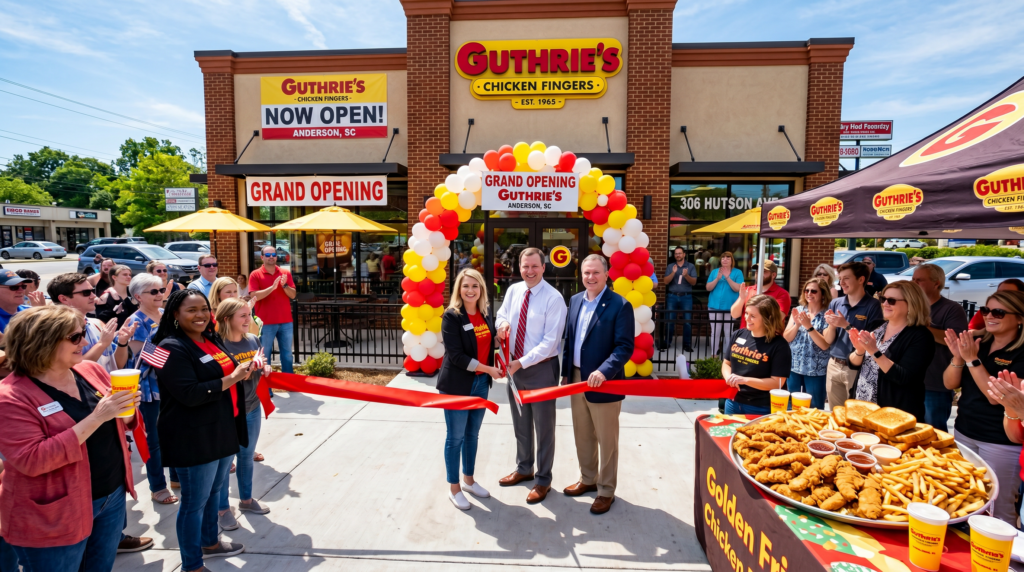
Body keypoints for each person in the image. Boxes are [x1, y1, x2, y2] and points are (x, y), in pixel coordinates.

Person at [0, 305, 141, 572]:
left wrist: (127, 410)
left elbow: (120, 423)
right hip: (54, 512)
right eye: (75, 337)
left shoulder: (90, 370)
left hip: (110, 496)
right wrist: (97, 417)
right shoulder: (10, 397)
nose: (85, 342)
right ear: (43, 342)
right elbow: (33, 460)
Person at [153, 289, 255, 572]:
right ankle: (192, 564)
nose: (200, 315)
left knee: (214, 492)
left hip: (223, 428)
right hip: (194, 436)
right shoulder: (169, 347)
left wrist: (244, 369)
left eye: (203, 309)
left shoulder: (209, 338)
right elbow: (189, 393)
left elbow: (227, 371)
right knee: (193, 504)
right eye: (191, 310)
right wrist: (232, 377)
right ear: (175, 314)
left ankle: (210, 542)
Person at [560, 255, 634, 515]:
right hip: (577, 380)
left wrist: (604, 371)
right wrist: (566, 373)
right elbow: (569, 340)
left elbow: (624, 347)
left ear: (606, 274)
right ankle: (588, 479)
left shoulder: (619, 305)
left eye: (595, 273)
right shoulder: (575, 300)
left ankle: (606, 490)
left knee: (607, 439)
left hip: (605, 382)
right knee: (582, 435)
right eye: (586, 273)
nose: (590, 277)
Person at [495, 247, 567, 504]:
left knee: (544, 428)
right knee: (521, 423)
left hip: (540, 370)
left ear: (544, 267)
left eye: (535, 266)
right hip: (515, 369)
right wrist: (502, 324)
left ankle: (543, 480)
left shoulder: (553, 298)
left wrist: (520, 363)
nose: (529, 271)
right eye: (525, 267)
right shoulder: (514, 290)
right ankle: (524, 468)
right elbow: (502, 313)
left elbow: (550, 342)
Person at [946, 290, 1024, 525]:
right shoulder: (979, 342)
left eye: (999, 312)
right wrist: (959, 358)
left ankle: (1007, 560)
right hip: (964, 430)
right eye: (986, 310)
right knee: (962, 498)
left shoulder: (1020, 353)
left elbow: (996, 398)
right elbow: (950, 383)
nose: (990, 316)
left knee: (998, 508)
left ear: (1019, 318)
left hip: (999, 441)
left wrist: (972, 360)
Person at [438, 269, 501, 511]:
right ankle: (454, 489)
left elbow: (484, 342)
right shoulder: (451, 317)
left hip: (480, 384)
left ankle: (469, 481)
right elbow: (456, 356)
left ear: (481, 289)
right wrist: (487, 369)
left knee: (472, 435)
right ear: (459, 290)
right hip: (457, 385)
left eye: (475, 286)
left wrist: (498, 338)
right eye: (466, 286)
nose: (470, 291)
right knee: (455, 438)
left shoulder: (484, 314)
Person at [123, 273, 181, 505]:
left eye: (161, 290)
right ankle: (158, 486)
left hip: (172, 386)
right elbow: (139, 358)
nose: (160, 294)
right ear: (138, 296)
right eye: (153, 291)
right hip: (150, 389)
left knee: (176, 434)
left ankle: (176, 476)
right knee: (154, 440)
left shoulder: (167, 315)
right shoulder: (134, 322)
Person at [215, 298, 272, 526]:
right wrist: (239, 375)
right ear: (227, 319)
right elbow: (217, 379)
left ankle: (246, 499)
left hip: (252, 406)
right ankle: (221, 509)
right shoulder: (217, 345)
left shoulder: (252, 339)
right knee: (224, 462)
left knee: (246, 456)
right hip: (228, 411)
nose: (249, 319)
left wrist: (265, 367)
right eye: (244, 316)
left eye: (249, 314)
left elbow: (260, 362)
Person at [848, 281, 935, 419]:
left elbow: (903, 377)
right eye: (883, 299)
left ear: (911, 304)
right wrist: (859, 351)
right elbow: (853, 364)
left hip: (893, 415)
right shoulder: (877, 325)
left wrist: (874, 352)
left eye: (892, 300)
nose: (885, 304)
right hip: (861, 407)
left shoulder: (921, 336)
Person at [913, 263, 969, 432]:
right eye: (913, 279)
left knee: (934, 434)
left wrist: (920, 326)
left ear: (936, 283)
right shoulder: (910, 306)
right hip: (909, 381)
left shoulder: (951, 309)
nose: (914, 283)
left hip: (934, 384)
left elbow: (956, 341)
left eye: (919, 280)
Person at [823, 262, 884, 409]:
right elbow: (828, 340)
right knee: (835, 413)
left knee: (856, 413)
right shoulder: (836, 303)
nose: (841, 283)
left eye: (846, 278)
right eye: (840, 278)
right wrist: (832, 325)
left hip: (858, 368)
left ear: (861, 279)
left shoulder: (874, 306)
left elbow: (872, 341)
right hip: (833, 364)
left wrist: (846, 325)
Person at [47, 273, 134, 374]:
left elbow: (116, 365)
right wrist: (101, 344)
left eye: (92, 291)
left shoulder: (96, 323)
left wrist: (122, 343)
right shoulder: (55, 330)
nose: (94, 296)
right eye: (86, 292)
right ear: (64, 299)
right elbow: (70, 371)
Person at [721, 295, 791, 415]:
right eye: (746, 313)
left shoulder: (779, 345)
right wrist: (729, 378)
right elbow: (726, 363)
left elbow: (777, 383)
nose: (747, 318)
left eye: (753, 316)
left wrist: (745, 380)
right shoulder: (738, 334)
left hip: (760, 407)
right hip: (732, 401)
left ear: (767, 318)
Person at [783, 278, 832, 409]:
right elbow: (786, 338)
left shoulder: (827, 314)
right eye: (807, 290)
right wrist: (797, 325)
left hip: (816, 370)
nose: (809, 293)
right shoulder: (798, 310)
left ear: (823, 293)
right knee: (792, 405)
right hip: (794, 366)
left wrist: (809, 326)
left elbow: (825, 344)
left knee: (814, 407)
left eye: (814, 291)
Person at [249, 245, 296, 374]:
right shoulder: (255, 274)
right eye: (268, 255)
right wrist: (272, 288)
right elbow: (254, 296)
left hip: (286, 321)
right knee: (265, 356)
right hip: (265, 323)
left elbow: (293, 295)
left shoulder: (285, 273)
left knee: (287, 355)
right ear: (262, 257)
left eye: (273, 255)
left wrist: (284, 285)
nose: (271, 257)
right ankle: (267, 388)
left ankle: (289, 383)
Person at [731, 260, 790, 330]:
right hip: (747, 336)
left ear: (773, 275)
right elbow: (734, 314)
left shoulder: (782, 293)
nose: (759, 274)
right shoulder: (748, 290)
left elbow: (777, 318)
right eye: (757, 271)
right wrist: (741, 298)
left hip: (769, 337)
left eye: (763, 271)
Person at [705, 251, 744, 357]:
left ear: (732, 261)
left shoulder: (737, 272)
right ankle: (714, 355)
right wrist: (717, 278)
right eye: (723, 258)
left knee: (728, 332)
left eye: (728, 258)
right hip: (714, 306)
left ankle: (728, 356)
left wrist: (727, 277)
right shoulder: (714, 272)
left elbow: (738, 288)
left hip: (730, 307)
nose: (725, 260)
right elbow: (708, 288)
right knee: (715, 332)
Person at [662, 247, 696, 352]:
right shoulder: (671, 266)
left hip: (686, 296)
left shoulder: (690, 266)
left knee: (687, 321)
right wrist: (673, 273)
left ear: (684, 254)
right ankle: (667, 342)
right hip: (672, 296)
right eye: (676, 253)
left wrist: (686, 275)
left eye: (680, 253)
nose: (678, 255)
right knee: (670, 320)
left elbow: (693, 282)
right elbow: (666, 282)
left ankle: (687, 345)